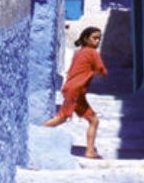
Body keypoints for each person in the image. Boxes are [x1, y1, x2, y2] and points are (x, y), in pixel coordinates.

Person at [43, 26, 108, 158]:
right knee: (62, 118)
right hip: (76, 91)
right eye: (94, 38)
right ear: (86, 39)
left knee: (93, 120)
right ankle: (36, 132)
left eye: (99, 39)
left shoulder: (79, 52)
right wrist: (98, 72)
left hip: (74, 90)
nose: (97, 41)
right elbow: (101, 70)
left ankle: (90, 151)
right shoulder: (92, 53)